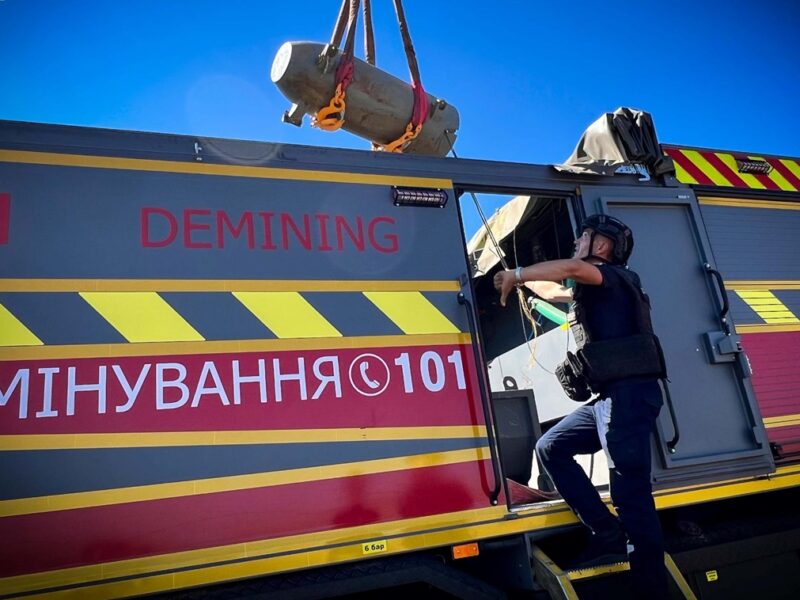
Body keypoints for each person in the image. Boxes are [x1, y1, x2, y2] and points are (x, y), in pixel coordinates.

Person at [493, 214, 669, 598]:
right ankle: (607, 533)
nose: (576, 242)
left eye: (583, 237)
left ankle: (651, 586)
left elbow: (572, 268)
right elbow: (556, 290)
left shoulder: (615, 277)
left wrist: (519, 273)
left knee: (631, 496)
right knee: (551, 447)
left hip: (629, 398)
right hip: (609, 399)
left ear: (602, 247)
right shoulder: (595, 288)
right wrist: (514, 278)